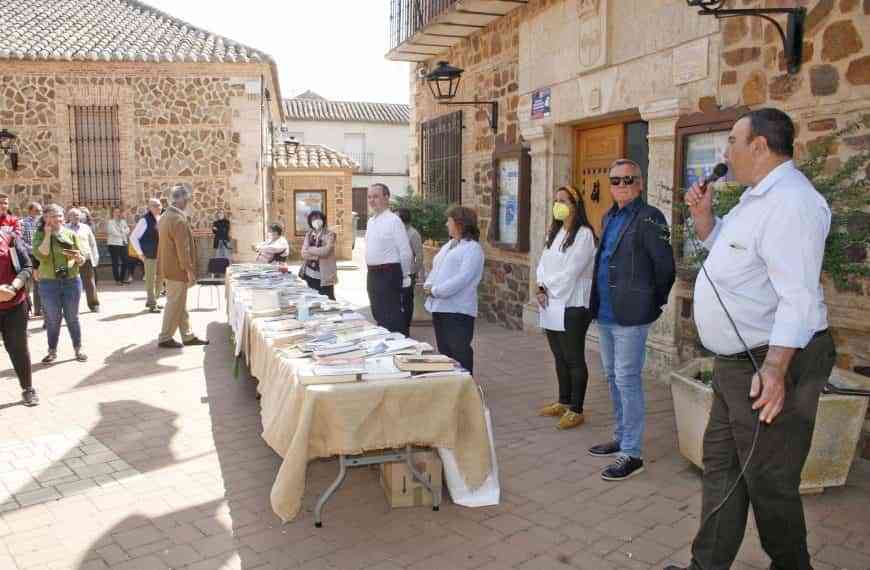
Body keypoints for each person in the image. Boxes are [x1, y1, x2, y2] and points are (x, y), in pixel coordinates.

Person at [666, 109, 836, 570]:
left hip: (770, 363)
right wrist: (705, 221)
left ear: (759, 146)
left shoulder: (793, 204)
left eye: (733, 143)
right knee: (721, 470)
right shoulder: (754, 199)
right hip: (736, 364)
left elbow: (798, 297)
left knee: (768, 480)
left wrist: (777, 370)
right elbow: (732, 259)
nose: (726, 154)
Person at [587, 158, 675, 481]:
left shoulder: (651, 217)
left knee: (627, 379)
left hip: (632, 316)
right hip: (607, 313)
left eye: (628, 180)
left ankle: (632, 453)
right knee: (612, 377)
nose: (621, 185)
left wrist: (651, 304)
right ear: (610, 185)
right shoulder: (609, 216)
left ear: (640, 183)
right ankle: (622, 436)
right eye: (616, 180)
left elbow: (665, 268)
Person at [535, 186, 596, 430]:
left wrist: (547, 289)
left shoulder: (584, 235)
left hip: (573, 303)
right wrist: (541, 288)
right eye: (555, 200)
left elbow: (572, 271)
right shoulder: (556, 232)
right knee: (559, 356)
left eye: (563, 201)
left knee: (573, 357)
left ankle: (577, 409)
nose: (557, 205)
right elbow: (543, 264)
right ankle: (563, 401)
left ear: (575, 204)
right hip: (550, 303)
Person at [424, 206, 484, 374]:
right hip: (440, 308)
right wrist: (429, 285)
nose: (446, 224)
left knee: (460, 351)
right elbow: (436, 268)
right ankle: (451, 386)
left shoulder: (473, 249)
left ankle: (466, 386)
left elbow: (463, 278)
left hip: (458, 310)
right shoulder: (449, 245)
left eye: (449, 221)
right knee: (445, 352)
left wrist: (436, 291)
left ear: (460, 224)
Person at [32, 204, 88, 363]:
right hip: (49, 283)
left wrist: (79, 258)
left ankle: (78, 348)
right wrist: (48, 235)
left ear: (63, 218)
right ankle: (52, 351)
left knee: (72, 317)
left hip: (71, 281)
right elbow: (42, 255)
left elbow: (82, 259)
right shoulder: (39, 235)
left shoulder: (71, 234)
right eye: (52, 215)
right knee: (52, 319)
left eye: (59, 215)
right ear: (45, 218)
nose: (56, 219)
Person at [156, 184, 208, 349]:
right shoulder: (178, 219)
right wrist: (189, 271)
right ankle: (165, 337)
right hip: (177, 269)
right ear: (183, 199)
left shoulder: (165, 216)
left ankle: (187, 335)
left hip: (168, 267)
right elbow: (182, 249)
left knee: (179, 302)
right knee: (174, 303)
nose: (188, 202)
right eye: (187, 199)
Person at [365, 183, 413, 335]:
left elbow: (405, 251)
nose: (372, 200)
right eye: (370, 197)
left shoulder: (394, 221)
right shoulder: (371, 222)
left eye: (376, 196)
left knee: (392, 315)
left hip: (389, 273)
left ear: (386, 198)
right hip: (373, 274)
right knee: (378, 312)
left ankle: (402, 349)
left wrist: (404, 276)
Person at [0, 223, 37, 405]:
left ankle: (28, 388)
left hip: (15, 304)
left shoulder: (10, 237)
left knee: (18, 349)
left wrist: (14, 287)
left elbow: (27, 266)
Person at [130, 199, 162, 313]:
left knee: (160, 278)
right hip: (149, 254)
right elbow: (133, 237)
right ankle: (152, 304)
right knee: (150, 279)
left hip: (160, 254)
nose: (159, 207)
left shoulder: (160, 218)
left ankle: (153, 300)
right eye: (156, 206)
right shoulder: (144, 220)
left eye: (160, 205)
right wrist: (140, 253)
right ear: (150, 207)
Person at [66, 208, 100, 313]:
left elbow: (92, 243)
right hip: (70, 259)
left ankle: (94, 304)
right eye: (73, 215)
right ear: (69, 217)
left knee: (90, 282)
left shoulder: (86, 228)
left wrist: (95, 257)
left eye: (77, 215)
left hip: (85, 258)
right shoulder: (65, 228)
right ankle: (71, 307)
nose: (76, 217)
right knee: (70, 283)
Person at [299, 210, 337, 300]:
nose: (316, 221)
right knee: (313, 300)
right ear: (310, 222)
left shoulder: (330, 234)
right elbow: (303, 253)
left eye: (318, 218)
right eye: (313, 219)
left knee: (328, 300)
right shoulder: (308, 235)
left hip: (325, 275)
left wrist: (310, 249)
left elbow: (326, 251)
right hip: (310, 274)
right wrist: (317, 255)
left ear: (323, 220)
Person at [397, 208, 423, 336]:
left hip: (408, 273)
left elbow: (419, 255)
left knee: (406, 301)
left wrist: (415, 272)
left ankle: (405, 329)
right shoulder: (397, 233)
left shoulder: (413, 234)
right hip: (396, 272)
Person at [20, 202, 42, 317]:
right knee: (27, 285)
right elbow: (20, 240)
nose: (40, 213)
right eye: (37, 210)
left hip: (40, 257)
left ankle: (39, 310)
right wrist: (33, 249)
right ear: (30, 211)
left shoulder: (42, 223)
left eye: (40, 210)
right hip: (28, 256)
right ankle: (27, 309)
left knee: (39, 282)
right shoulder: (22, 223)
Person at [106, 206, 131, 285]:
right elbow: (113, 232)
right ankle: (117, 280)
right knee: (115, 263)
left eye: (118, 212)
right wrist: (123, 232)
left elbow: (128, 229)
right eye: (115, 212)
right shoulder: (110, 222)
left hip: (123, 243)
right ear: (112, 213)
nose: (117, 213)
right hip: (113, 244)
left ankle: (122, 278)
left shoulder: (123, 221)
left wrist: (123, 232)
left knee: (126, 261)